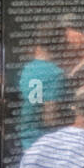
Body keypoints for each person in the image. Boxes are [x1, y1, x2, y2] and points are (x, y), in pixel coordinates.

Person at [16, 22, 68, 150]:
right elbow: (50, 118)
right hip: (44, 143)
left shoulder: (27, 68)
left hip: (25, 139)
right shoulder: (56, 74)